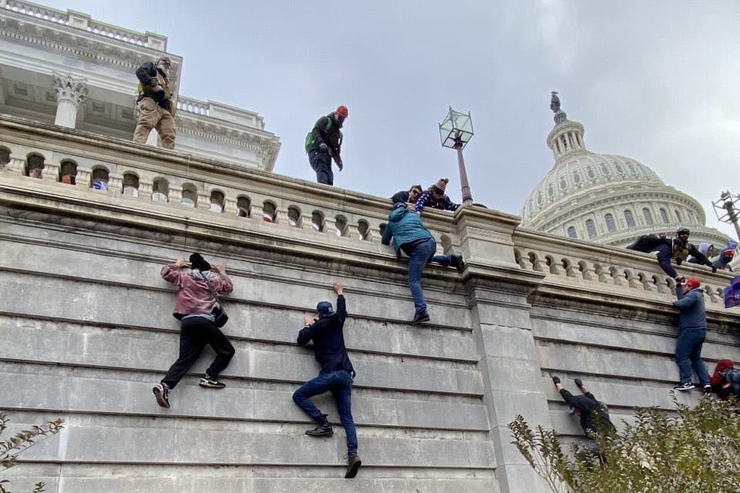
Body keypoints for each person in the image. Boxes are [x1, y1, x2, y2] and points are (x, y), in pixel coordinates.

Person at [292, 281, 362, 479]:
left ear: (319, 314)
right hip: (346, 376)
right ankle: (352, 454)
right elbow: (342, 309)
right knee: (347, 417)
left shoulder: (318, 325)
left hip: (330, 375)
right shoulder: (337, 320)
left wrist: (308, 324)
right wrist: (340, 292)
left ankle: (323, 423)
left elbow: (301, 339)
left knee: (299, 395)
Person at [153, 253, 235, 408]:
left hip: (187, 322)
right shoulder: (213, 280)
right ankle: (209, 376)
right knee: (227, 351)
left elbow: (165, 273)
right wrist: (222, 272)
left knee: (186, 358)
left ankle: (165, 386)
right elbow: (228, 288)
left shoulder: (185, 277)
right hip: (204, 321)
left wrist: (177, 264)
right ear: (207, 269)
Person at [381, 202, 465, 324]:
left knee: (413, 280)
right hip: (430, 242)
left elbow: (384, 240)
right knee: (426, 259)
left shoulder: (392, 221)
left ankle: (421, 311)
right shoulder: (413, 215)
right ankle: (452, 259)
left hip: (417, 247)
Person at [551, 376, 616, 466]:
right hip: (613, 440)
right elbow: (589, 395)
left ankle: (593, 474)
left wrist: (558, 383)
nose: (577, 414)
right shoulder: (597, 405)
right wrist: (581, 385)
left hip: (600, 441)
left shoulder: (584, 405)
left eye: (577, 410)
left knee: (583, 453)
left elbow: (568, 397)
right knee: (607, 463)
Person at [626, 227, 715, 282]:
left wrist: (710, 264)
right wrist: (675, 276)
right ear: (674, 244)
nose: (684, 235)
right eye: (682, 234)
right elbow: (664, 263)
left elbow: (699, 255)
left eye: (686, 234)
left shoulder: (688, 246)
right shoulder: (665, 248)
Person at [672, 277, 711, 392]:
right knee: (696, 358)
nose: (683, 287)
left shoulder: (693, 295)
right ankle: (706, 383)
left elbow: (683, 303)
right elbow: (684, 298)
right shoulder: (698, 295)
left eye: (685, 286)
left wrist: (675, 302)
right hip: (700, 330)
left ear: (690, 287)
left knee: (682, 356)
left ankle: (686, 382)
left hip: (690, 330)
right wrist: (678, 286)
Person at [133, 56, 176, 149]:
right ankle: (137, 147)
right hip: (151, 101)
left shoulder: (165, 81)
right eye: (164, 61)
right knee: (146, 124)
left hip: (164, 108)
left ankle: (169, 155)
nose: (167, 64)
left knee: (169, 132)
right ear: (158, 62)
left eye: (169, 64)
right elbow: (140, 72)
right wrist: (153, 84)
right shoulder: (151, 67)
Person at [305, 106, 348, 186]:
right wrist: (321, 143)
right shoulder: (325, 120)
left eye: (342, 118)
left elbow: (336, 151)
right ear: (336, 114)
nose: (341, 119)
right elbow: (315, 131)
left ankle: (329, 191)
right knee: (321, 168)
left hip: (327, 154)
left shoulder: (338, 135)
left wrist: (338, 161)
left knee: (329, 175)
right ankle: (322, 190)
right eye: (340, 116)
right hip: (316, 150)